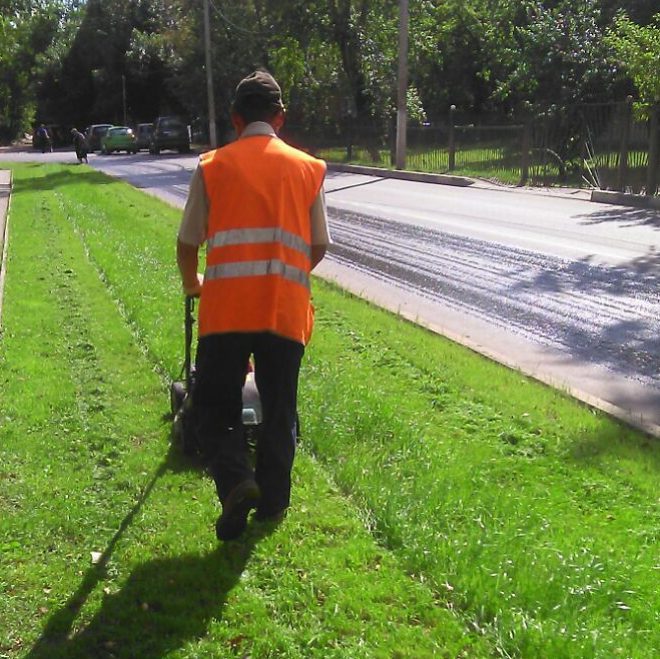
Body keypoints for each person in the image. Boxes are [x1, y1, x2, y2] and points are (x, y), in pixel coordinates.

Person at [176, 69, 331, 541]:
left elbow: (187, 242)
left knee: (214, 407)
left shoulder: (214, 165)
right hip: (284, 311)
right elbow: (318, 246)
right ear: (279, 119)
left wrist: (193, 283)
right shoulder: (309, 169)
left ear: (235, 119)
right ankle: (273, 504)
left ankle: (236, 480)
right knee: (280, 408)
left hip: (225, 313)